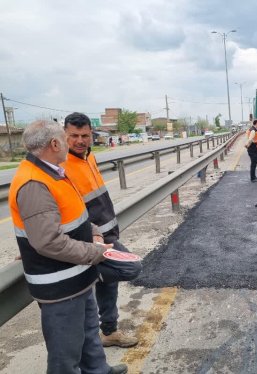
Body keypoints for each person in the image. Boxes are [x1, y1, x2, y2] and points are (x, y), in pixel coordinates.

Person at [8, 120, 127, 374]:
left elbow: (74, 215)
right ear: (54, 144)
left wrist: (93, 232)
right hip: (59, 287)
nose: (70, 143)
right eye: (65, 138)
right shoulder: (34, 183)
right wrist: (95, 253)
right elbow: (48, 241)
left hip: (77, 277)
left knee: (88, 336)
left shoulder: (54, 172)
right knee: (66, 353)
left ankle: (99, 371)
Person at [62, 112, 142, 348]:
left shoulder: (90, 158)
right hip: (90, 239)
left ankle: (109, 331)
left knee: (109, 284)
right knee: (131, 267)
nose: (80, 140)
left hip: (108, 233)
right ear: (64, 136)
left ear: (91, 135)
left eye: (84, 135)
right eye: (73, 135)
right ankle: (86, 277)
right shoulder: (62, 167)